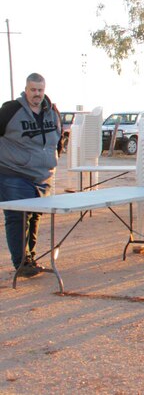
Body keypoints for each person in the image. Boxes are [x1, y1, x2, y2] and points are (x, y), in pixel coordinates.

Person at [0, 73, 63, 276]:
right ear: (26, 89)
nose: (37, 94)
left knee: (35, 216)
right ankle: (21, 263)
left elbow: (58, 138)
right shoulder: (11, 110)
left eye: (40, 90)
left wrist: (53, 160)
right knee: (18, 217)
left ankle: (30, 259)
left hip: (43, 176)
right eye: (33, 90)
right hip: (14, 174)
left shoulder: (52, 111)